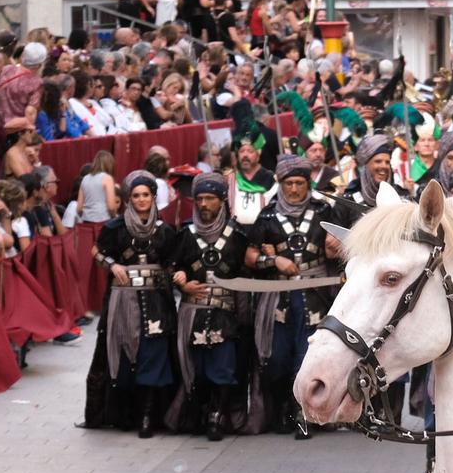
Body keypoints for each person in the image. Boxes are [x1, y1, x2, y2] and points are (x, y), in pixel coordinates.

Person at [251, 155, 340, 438]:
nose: (293, 189)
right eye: (288, 183)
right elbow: (249, 255)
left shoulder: (323, 210)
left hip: (316, 295)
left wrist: (335, 247)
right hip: (279, 298)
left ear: (308, 184)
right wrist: (273, 261)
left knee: (308, 357)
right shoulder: (267, 216)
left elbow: (336, 246)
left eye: (299, 183)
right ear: (279, 184)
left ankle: (303, 414)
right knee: (276, 358)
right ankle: (280, 410)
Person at [87, 171, 179, 437]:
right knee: (124, 355)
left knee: (154, 353)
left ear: (153, 197)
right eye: (136, 195)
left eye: (145, 195)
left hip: (156, 301)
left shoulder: (165, 231)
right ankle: (125, 412)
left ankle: (149, 416)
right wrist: (112, 264)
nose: (141, 200)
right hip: (123, 300)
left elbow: (173, 262)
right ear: (129, 199)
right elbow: (96, 250)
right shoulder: (115, 227)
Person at [166, 172, 254, 441]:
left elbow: (246, 273)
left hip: (224, 314)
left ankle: (217, 415)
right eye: (200, 199)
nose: (204, 204)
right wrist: (180, 280)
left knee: (223, 367)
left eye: (210, 199)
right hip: (192, 313)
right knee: (196, 369)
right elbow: (170, 265)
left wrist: (244, 316)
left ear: (221, 201)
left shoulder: (237, 236)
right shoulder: (185, 234)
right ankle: (198, 413)